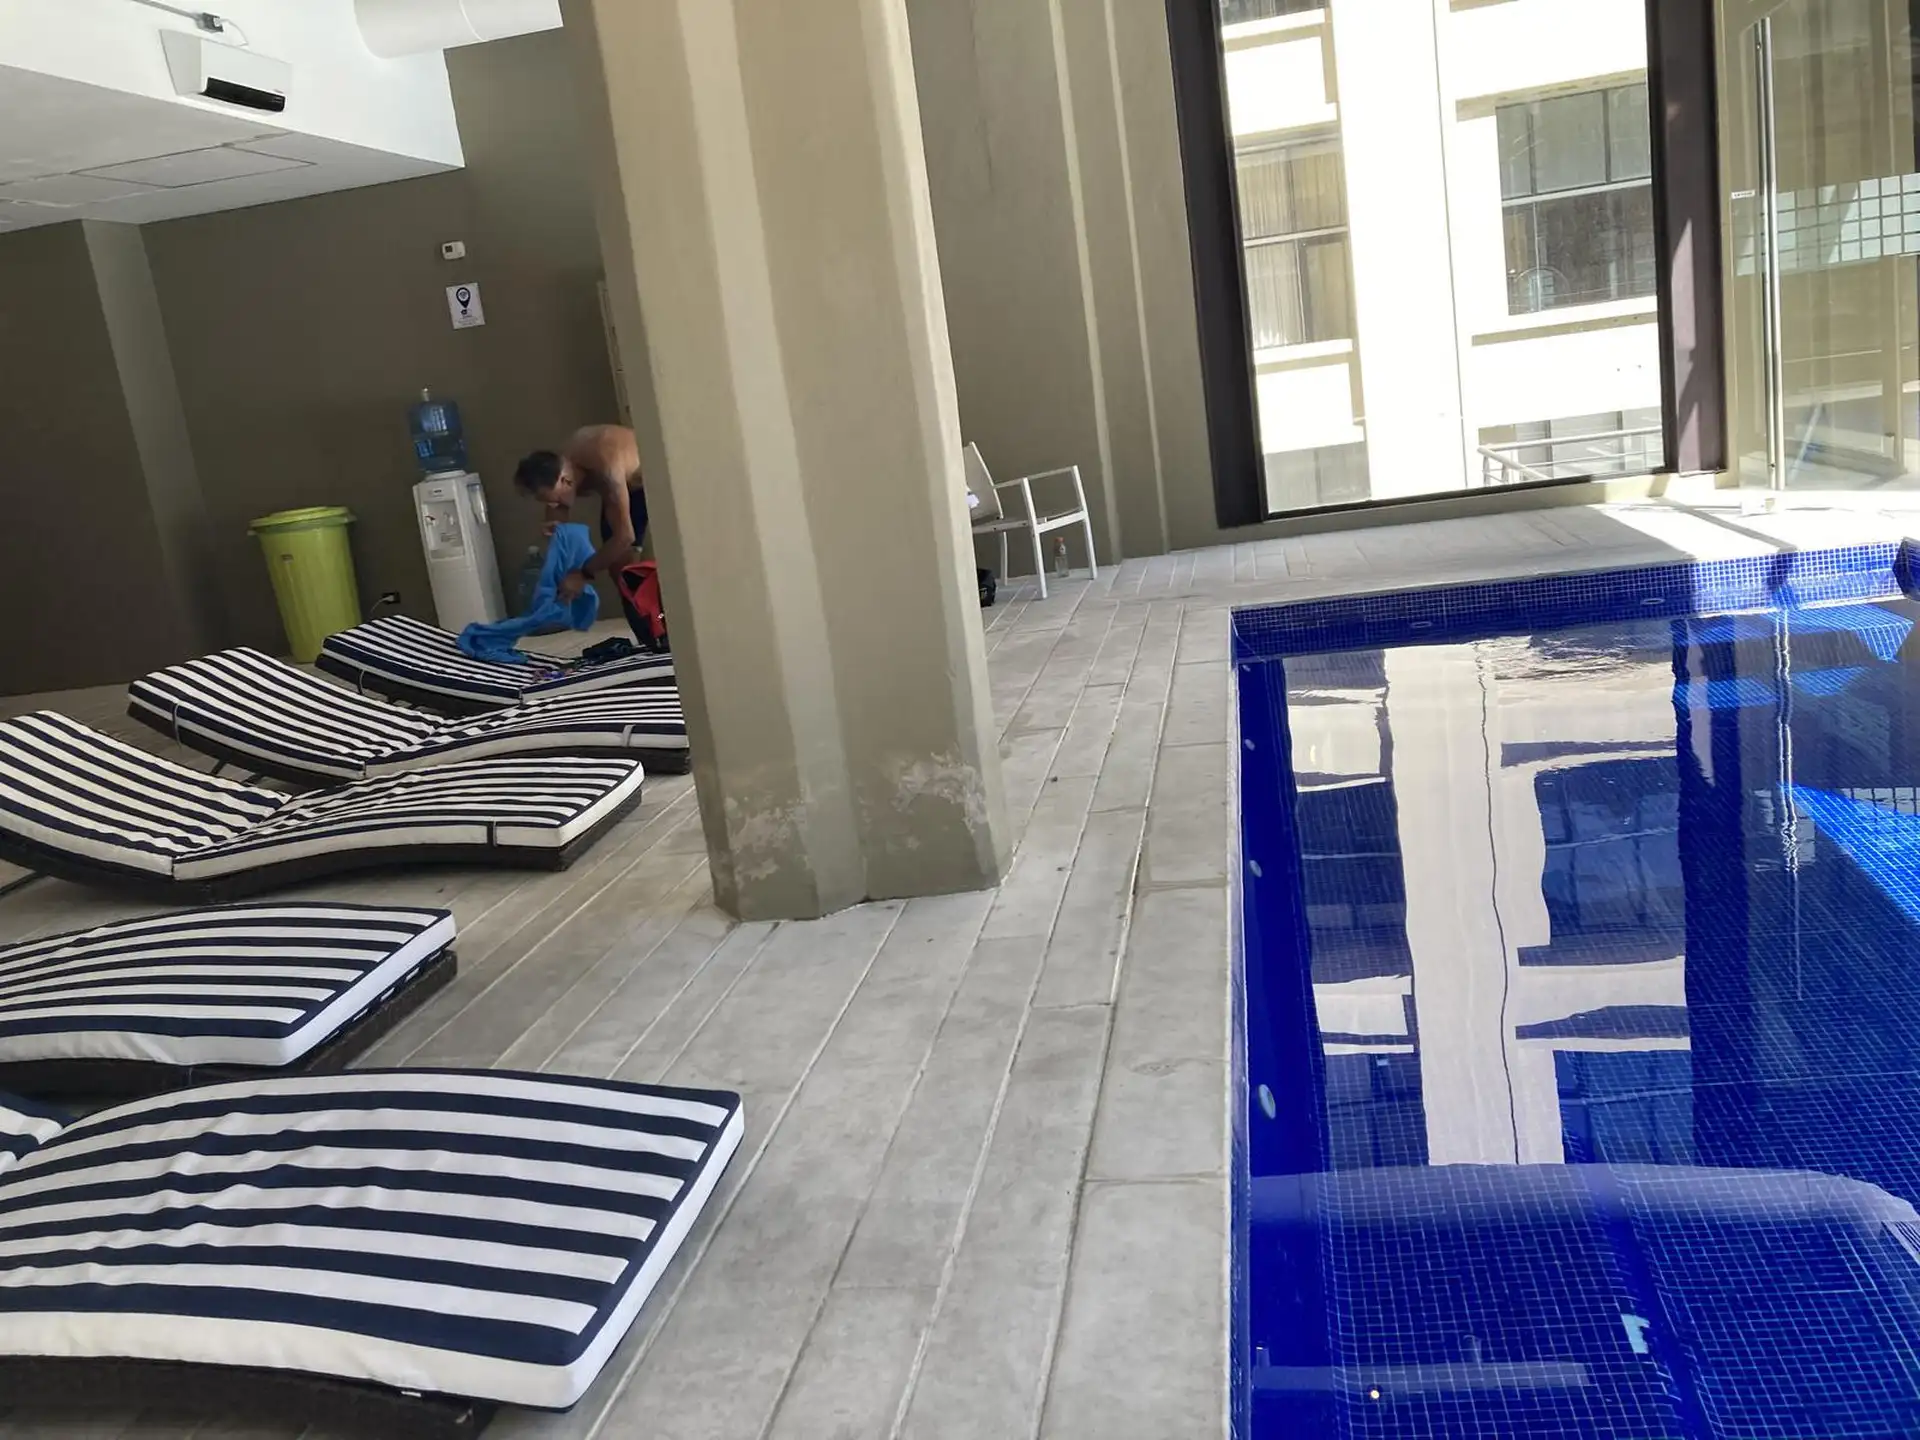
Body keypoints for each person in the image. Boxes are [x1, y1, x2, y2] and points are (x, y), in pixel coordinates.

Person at [513, 425, 652, 642]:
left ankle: (660, 635)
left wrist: (583, 574)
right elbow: (559, 527)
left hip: (649, 479)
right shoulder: (562, 468)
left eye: (555, 501)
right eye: (548, 503)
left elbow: (625, 537)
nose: (553, 507)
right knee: (618, 571)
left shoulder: (607, 466)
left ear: (566, 481)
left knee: (626, 566)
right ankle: (648, 637)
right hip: (623, 487)